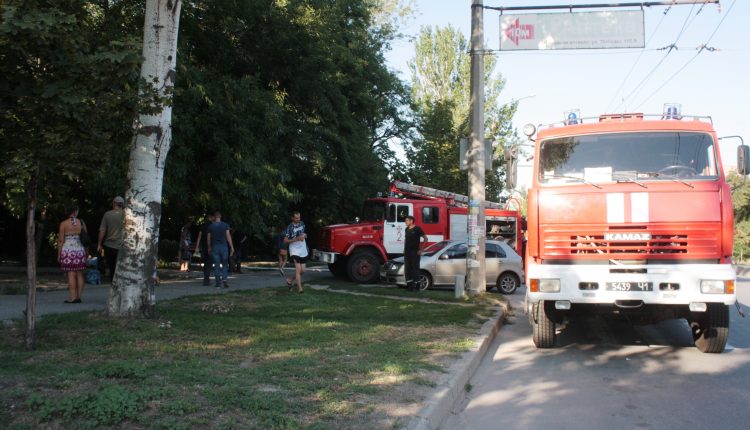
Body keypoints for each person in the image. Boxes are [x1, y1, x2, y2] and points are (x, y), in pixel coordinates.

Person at [58, 205, 87, 303]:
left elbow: (61, 240)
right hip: (80, 250)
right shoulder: (81, 223)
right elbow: (85, 238)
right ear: (75, 211)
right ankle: (79, 297)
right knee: (79, 273)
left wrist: (59, 254)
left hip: (68, 251)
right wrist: (87, 252)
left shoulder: (63, 224)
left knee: (71, 273)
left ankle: (72, 297)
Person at [97, 196, 125, 283]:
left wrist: (99, 244)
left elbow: (102, 230)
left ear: (113, 203)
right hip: (122, 246)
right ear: (123, 205)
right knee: (121, 268)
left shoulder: (107, 214)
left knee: (112, 268)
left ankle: (113, 285)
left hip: (109, 245)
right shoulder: (126, 215)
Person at [207, 211, 234, 289]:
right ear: (220, 216)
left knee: (217, 266)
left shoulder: (210, 226)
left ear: (214, 217)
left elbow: (208, 239)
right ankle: (224, 279)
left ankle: (218, 284)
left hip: (215, 247)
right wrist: (232, 246)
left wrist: (209, 247)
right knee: (225, 264)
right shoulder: (225, 225)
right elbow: (228, 236)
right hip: (224, 247)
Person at [284, 211, 307, 293]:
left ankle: (289, 280)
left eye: (299, 217)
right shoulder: (289, 227)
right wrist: (295, 239)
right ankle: (300, 288)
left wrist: (304, 236)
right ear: (292, 218)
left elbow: (304, 234)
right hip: (294, 250)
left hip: (303, 248)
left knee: (303, 270)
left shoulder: (302, 223)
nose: (298, 219)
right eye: (296, 218)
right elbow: (285, 240)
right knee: (298, 269)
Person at [403, 215, 427, 291]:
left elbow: (425, 238)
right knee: (407, 269)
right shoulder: (406, 229)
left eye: (406, 220)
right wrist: (404, 249)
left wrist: (421, 250)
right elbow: (406, 240)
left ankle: (417, 287)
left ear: (411, 221)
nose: (405, 222)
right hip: (407, 252)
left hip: (415, 252)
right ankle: (410, 286)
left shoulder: (417, 229)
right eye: (405, 220)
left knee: (415, 269)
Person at [193, 212, 215, 286]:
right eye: (212, 217)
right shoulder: (213, 226)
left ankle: (206, 278)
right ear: (210, 217)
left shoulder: (202, 226)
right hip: (211, 247)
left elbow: (199, 237)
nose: (213, 218)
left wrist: (197, 247)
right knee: (209, 263)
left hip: (204, 247)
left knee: (206, 263)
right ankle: (206, 279)